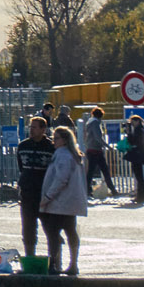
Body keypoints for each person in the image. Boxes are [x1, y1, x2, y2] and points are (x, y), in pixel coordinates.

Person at [39, 124, 88, 275]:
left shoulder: (62, 155)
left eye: (57, 138)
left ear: (65, 140)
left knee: (53, 233)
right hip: (71, 203)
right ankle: (73, 263)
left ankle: (53, 263)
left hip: (59, 202)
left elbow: (61, 179)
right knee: (71, 232)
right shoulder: (75, 155)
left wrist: (47, 197)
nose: (54, 141)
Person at [16, 115, 57, 259]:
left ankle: (54, 260)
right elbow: (22, 167)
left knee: (50, 228)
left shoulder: (51, 147)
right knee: (28, 227)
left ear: (43, 129)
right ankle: (29, 257)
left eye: (34, 127)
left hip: (44, 192)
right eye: (30, 127)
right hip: (27, 192)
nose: (31, 130)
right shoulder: (23, 146)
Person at [82, 106, 114, 199]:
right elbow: (97, 137)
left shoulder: (89, 122)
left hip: (90, 149)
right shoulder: (95, 123)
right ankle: (112, 189)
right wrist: (107, 146)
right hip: (96, 150)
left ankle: (88, 190)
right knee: (104, 170)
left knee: (91, 172)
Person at [126, 113, 144, 205]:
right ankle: (140, 196)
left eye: (132, 122)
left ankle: (141, 196)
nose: (132, 124)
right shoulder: (140, 130)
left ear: (137, 121)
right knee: (139, 176)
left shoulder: (138, 131)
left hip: (137, 155)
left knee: (139, 176)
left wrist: (129, 133)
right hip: (139, 154)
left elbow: (133, 141)